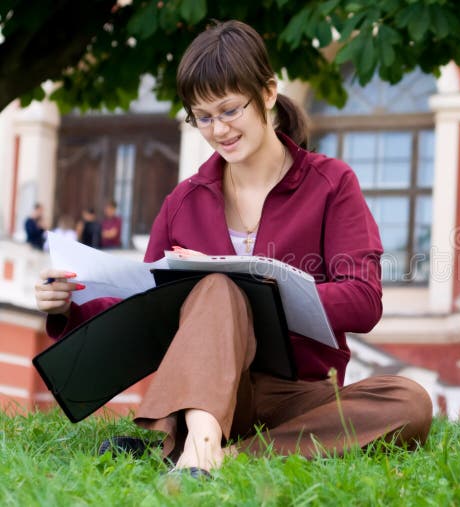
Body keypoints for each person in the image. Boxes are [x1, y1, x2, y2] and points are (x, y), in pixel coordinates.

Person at [34, 20, 432, 476]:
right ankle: (200, 444)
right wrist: (68, 308)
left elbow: (363, 301)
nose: (218, 130)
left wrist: (262, 282)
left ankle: (219, 456)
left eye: (228, 110)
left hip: (298, 395)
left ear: (266, 92)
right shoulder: (183, 203)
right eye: (202, 117)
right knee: (217, 289)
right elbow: (142, 309)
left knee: (408, 402)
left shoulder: (331, 184)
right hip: (205, 393)